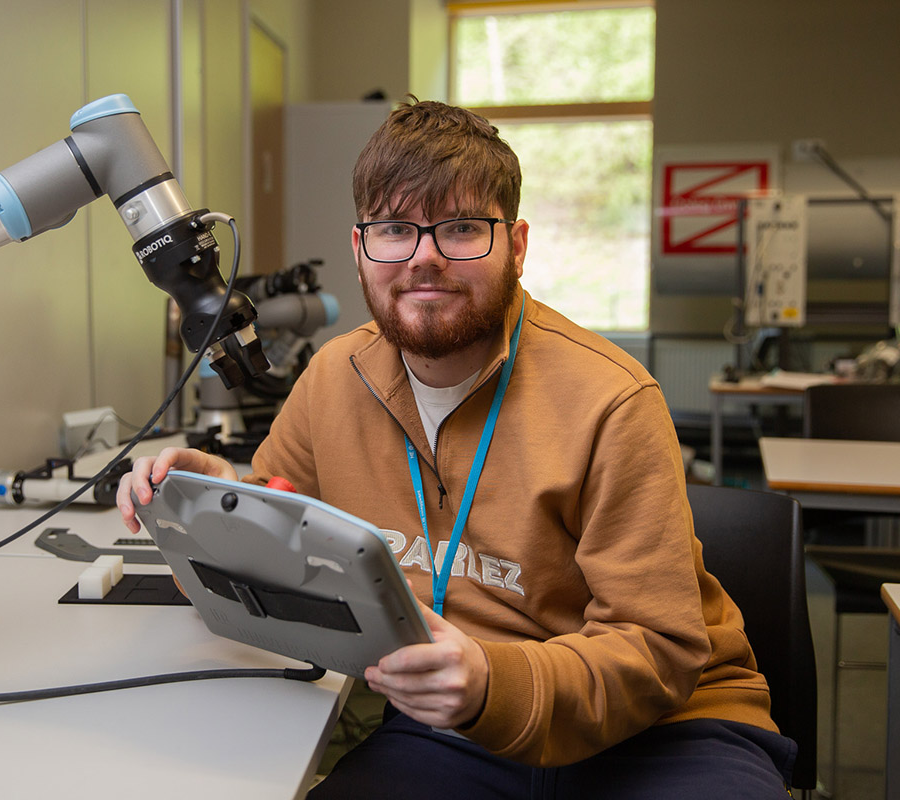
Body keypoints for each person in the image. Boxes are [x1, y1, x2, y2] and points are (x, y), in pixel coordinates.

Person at [116, 99, 796, 798]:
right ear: (359, 249)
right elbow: (280, 533)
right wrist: (207, 498)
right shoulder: (333, 378)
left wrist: (489, 686)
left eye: (463, 228)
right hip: (452, 731)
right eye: (395, 230)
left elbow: (659, 650)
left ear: (518, 245)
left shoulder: (612, 400)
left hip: (664, 733)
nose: (425, 258)